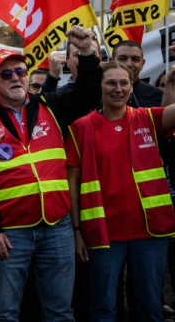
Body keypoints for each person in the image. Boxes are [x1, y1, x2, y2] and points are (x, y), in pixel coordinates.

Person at [0, 25, 102, 321]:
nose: (16, 79)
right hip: (10, 233)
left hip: (57, 228)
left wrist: (87, 51)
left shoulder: (49, 105)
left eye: (21, 72)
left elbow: (89, 92)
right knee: (4, 313)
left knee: (61, 312)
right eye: (7, 74)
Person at [67, 62, 175, 322]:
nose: (118, 89)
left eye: (123, 83)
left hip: (150, 232)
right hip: (104, 234)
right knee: (103, 308)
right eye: (110, 83)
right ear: (99, 87)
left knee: (150, 306)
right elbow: (71, 185)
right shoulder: (80, 127)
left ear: (131, 86)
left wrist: (171, 81)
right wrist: (77, 231)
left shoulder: (148, 117)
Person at [112, 40, 163, 107]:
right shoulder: (99, 92)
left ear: (142, 64)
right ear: (111, 62)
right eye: (122, 59)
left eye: (135, 59)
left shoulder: (157, 95)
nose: (129, 64)